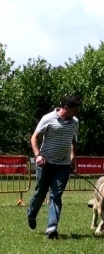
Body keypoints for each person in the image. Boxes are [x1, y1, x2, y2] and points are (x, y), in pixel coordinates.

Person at [27, 95, 82, 239]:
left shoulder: (74, 122)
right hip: (46, 164)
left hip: (63, 166)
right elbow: (34, 137)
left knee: (56, 196)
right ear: (66, 108)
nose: (76, 113)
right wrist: (38, 155)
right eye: (75, 110)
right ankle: (31, 214)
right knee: (40, 192)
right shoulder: (48, 118)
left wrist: (72, 159)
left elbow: (74, 142)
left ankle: (52, 228)